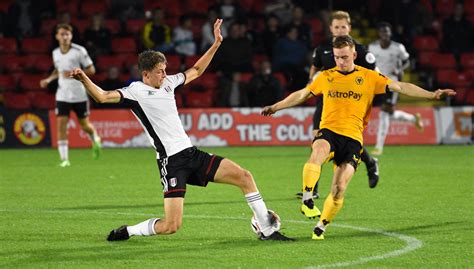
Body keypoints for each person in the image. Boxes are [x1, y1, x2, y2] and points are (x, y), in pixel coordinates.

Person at [70, 19, 293, 242]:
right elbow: (101, 96)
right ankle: (129, 230)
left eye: (165, 70)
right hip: (172, 162)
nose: (164, 75)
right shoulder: (134, 92)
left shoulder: (169, 83)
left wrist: (215, 44)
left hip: (191, 154)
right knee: (171, 226)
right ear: (146, 74)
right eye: (159, 72)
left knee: (245, 177)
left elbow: (196, 70)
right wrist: (84, 79)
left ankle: (268, 230)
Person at [261, 35, 455, 240]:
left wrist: (432, 94)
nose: (340, 61)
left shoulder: (370, 77)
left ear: (354, 54)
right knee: (317, 151)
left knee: (338, 189)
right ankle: (308, 199)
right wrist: (276, 107)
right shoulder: (326, 76)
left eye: (344, 57)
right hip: (329, 131)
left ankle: (321, 226)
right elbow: (302, 94)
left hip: (353, 140)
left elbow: (401, 86)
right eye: (337, 57)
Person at [299, 10, 379, 200]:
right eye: (337, 27)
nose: (340, 30)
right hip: (326, 101)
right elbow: (315, 66)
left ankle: (370, 162)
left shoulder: (359, 50)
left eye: (344, 27)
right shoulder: (323, 49)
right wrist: (311, 82)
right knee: (316, 140)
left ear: (349, 28)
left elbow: (374, 75)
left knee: (347, 141)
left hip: (350, 105)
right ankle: (313, 190)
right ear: (331, 28)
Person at [40, 23, 101, 167]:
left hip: (79, 94)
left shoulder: (79, 51)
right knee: (61, 125)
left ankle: (95, 138)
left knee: (85, 125)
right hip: (62, 95)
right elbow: (58, 70)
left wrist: (77, 74)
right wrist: (48, 79)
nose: (65, 37)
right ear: (57, 36)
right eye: (62, 34)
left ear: (71, 36)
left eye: (67, 34)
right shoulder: (55, 52)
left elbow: (92, 69)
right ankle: (64, 160)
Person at [368, 22, 424, 156]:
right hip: (377, 83)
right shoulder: (372, 47)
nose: (384, 34)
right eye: (382, 32)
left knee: (384, 112)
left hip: (392, 84)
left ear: (390, 33)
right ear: (379, 34)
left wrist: (400, 70)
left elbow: (407, 61)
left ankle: (378, 147)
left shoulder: (398, 47)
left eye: (387, 32)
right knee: (389, 113)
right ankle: (412, 119)